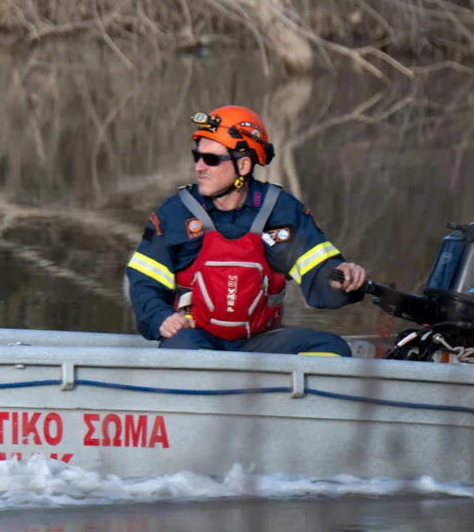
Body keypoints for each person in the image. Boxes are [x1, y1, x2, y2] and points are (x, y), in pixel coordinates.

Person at [124, 105, 369, 356]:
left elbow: (318, 271)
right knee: (180, 352)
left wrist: (342, 277)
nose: (199, 166)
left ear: (243, 166)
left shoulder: (281, 211)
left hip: (261, 342)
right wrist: (161, 318)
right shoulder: (175, 213)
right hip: (194, 338)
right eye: (197, 156)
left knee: (332, 349)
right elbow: (144, 281)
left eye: (211, 159)